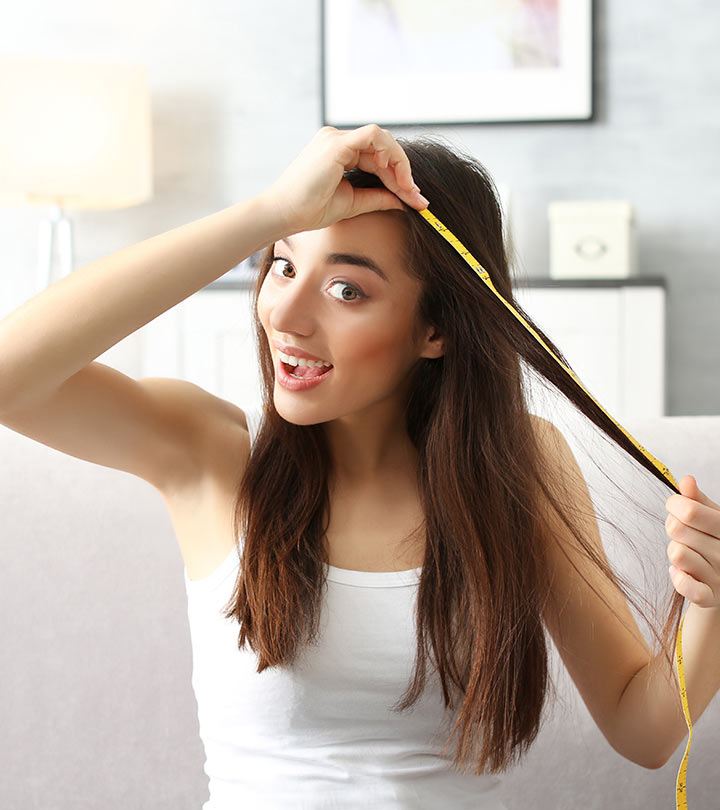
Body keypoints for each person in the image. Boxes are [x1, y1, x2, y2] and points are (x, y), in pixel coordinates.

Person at [1, 124, 719, 809]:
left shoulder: (519, 466)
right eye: (280, 264)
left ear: (434, 329)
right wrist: (266, 211)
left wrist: (711, 606)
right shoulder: (211, 454)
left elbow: (645, 727)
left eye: (347, 289)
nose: (285, 314)